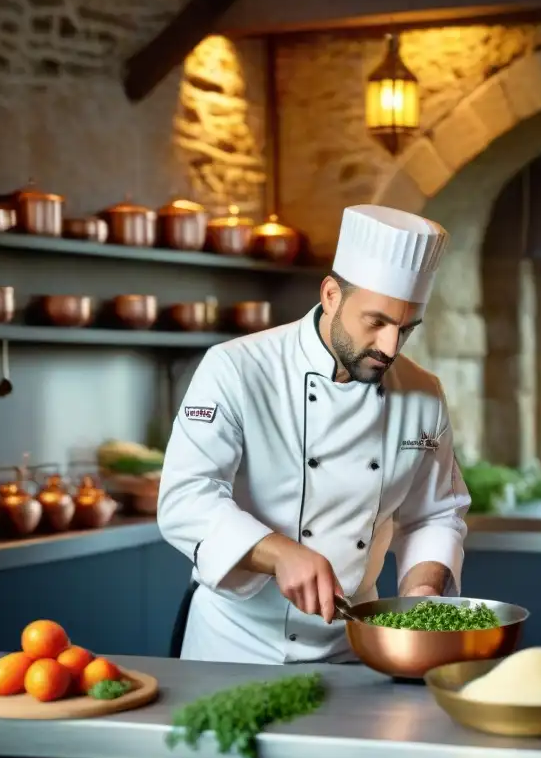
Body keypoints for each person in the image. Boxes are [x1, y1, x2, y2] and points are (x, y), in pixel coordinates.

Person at [157, 204, 471, 665]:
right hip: (234, 644)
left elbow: (434, 515)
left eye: (405, 329)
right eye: (377, 322)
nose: (390, 347)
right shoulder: (238, 368)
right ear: (330, 295)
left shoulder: (423, 393)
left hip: (352, 645)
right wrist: (281, 553)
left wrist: (422, 592)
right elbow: (185, 498)